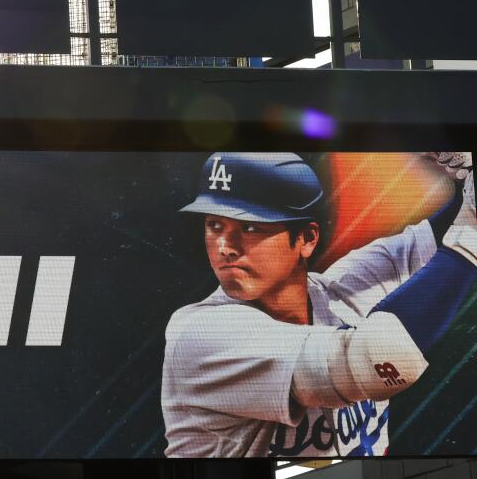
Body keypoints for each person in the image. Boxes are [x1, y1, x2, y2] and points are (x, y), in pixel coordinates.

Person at [162, 151, 477, 457]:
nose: (225, 247)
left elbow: (436, 241)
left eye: (250, 226)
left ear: (306, 239)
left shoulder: (341, 290)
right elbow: (381, 358)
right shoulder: (198, 335)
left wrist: (469, 183)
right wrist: (472, 230)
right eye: (215, 225)